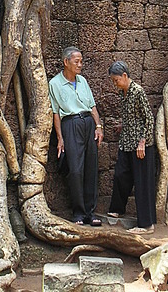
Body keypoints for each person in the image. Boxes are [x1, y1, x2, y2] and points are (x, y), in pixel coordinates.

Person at [49, 46, 104, 226]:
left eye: (81, 61)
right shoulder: (55, 84)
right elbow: (56, 113)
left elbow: (92, 106)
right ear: (66, 62)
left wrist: (98, 126)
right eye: (76, 61)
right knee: (75, 169)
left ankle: (91, 212)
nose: (80, 65)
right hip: (70, 124)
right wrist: (60, 138)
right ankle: (78, 213)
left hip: (88, 123)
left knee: (91, 167)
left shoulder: (83, 81)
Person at [108, 60, 157, 234]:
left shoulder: (137, 92)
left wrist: (143, 142)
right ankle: (118, 208)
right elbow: (133, 116)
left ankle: (147, 225)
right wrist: (123, 125)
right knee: (121, 174)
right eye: (113, 81)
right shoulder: (124, 93)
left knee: (142, 182)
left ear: (125, 76)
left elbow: (148, 119)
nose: (115, 84)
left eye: (116, 80)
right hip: (126, 142)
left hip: (140, 145)